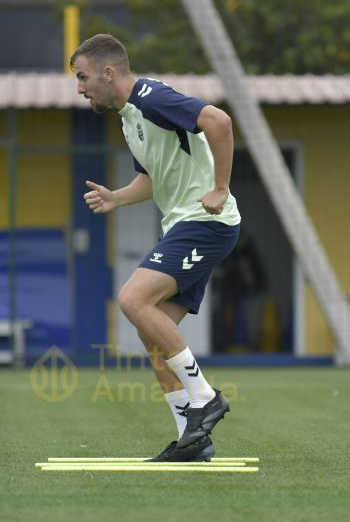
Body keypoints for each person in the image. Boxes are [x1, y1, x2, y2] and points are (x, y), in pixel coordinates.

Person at [72, 34, 242, 462]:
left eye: (83, 77)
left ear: (108, 73)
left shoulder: (151, 97)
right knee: (152, 332)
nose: (80, 88)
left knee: (132, 299)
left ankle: (206, 397)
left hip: (207, 222)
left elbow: (219, 122)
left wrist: (221, 187)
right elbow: (152, 178)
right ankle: (192, 439)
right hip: (185, 225)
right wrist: (116, 197)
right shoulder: (129, 117)